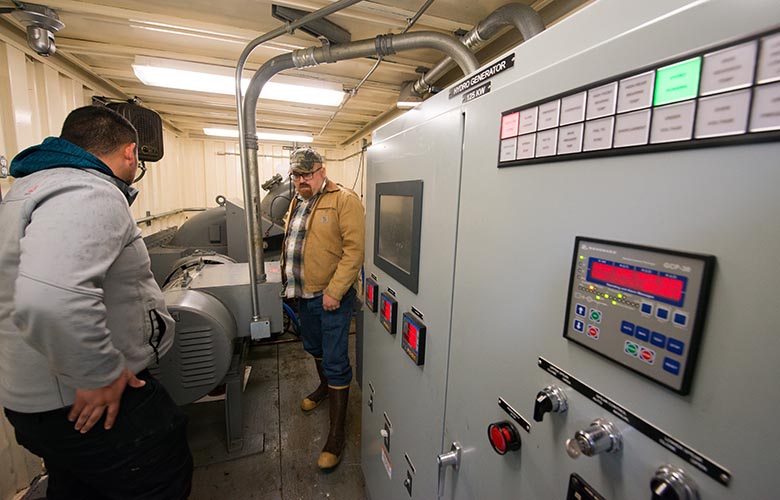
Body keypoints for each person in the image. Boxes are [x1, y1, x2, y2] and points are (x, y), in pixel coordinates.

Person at [0, 105, 193, 499]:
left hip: (37, 399)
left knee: (77, 486)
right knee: (159, 481)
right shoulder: (90, 190)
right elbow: (48, 299)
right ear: (130, 153)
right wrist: (99, 374)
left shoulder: (22, 191)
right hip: (87, 403)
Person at [281, 147, 365, 470]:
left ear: (322, 170)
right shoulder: (297, 201)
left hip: (331, 298)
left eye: (307, 174)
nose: (301, 180)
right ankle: (324, 387)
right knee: (313, 347)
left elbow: (354, 252)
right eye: (297, 175)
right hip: (302, 295)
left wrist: (335, 291)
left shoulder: (344, 200)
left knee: (335, 360)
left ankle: (336, 435)